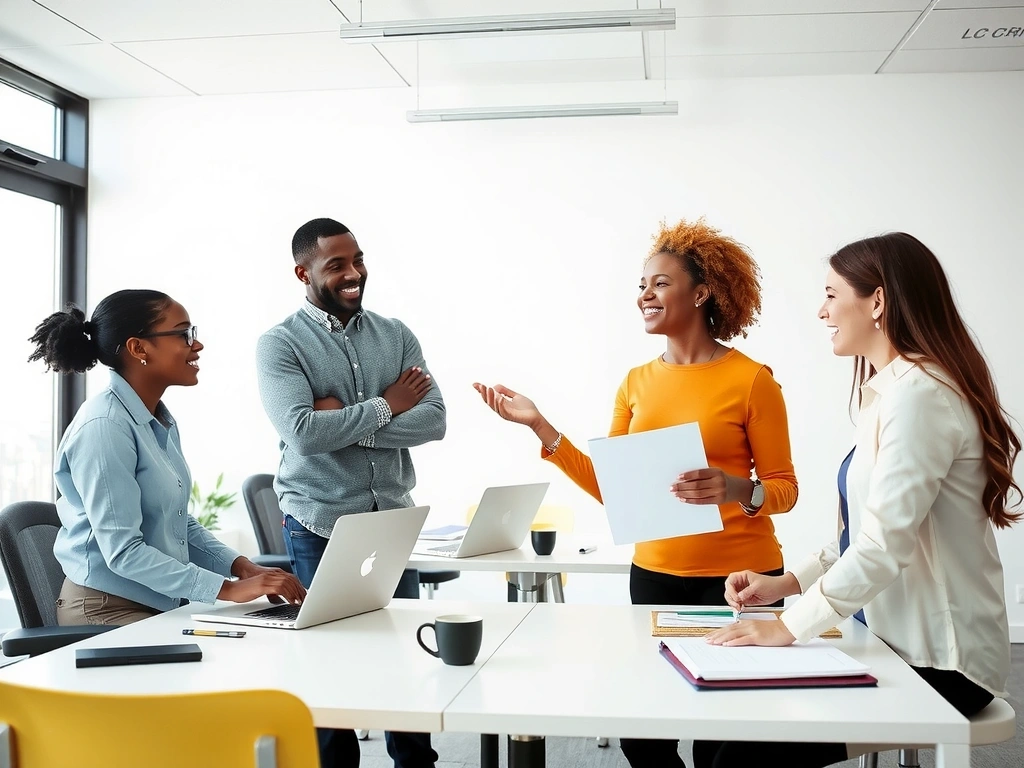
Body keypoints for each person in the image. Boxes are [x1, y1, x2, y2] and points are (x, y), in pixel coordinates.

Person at [473, 218, 799, 768]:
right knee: (643, 734)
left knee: (728, 741)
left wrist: (736, 487)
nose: (645, 295)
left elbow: (785, 490)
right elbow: (612, 487)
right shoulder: (635, 382)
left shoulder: (752, 381)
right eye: (642, 285)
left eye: (660, 283)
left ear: (701, 293)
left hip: (743, 584)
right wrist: (541, 428)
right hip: (654, 577)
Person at [702, 232, 1019, 768]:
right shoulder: (892, 393)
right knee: (728, 737)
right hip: (888, 638)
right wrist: (786, 584)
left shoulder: (920, 397)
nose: (821, 310)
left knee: (742, 756)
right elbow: (861, 533)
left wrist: (786, 626)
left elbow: (881, 547)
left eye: (831, 293)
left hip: (941, 663)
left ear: (878, 301)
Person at [256, 218, 445, 768]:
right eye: (336, 264)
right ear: (304, 272)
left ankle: (416, 763)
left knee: (404, 657)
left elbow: (434, 421)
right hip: (320, 523)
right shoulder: (281, 344)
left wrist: (342, 418)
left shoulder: (397, 334)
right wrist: (389, 404)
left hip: (390, 521)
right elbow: (303, 434)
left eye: (357, 259)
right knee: (330, 668)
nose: (353, 273)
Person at [27, 289, 306, 628]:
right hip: (104, 610)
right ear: (138, 348)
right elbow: (123, 552)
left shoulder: (156, 419)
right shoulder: (105, 427)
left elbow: (177, 523)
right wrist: (229, 590)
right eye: (184, 334)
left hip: (156, 603)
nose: (197, 345)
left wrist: (239, 566)